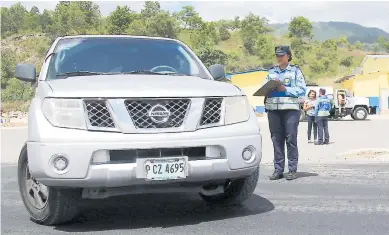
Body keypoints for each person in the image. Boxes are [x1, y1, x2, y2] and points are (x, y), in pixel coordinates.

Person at [262, 45, 307, 181]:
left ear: (288, 56)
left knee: (291, 139)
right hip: (273, 110)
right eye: (277, 55)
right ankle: (278, 170)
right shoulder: (272, 72)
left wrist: (285, 89)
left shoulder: (295, 71)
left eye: (281, 55)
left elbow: (302, 90)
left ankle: (292, 170)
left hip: (290, 110)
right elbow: (263, 87)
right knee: (276, 140)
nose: (279, 58)